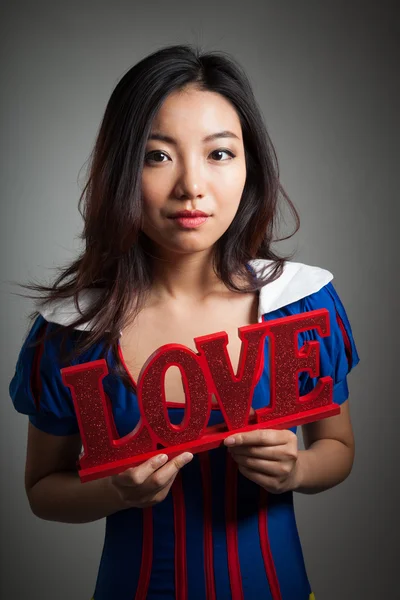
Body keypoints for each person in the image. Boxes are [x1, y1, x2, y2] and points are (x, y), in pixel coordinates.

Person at [9, 44, 360, 600]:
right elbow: (42, 490)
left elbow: (336, 448)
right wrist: (116, 492)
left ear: (251, 166)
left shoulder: (302, 305)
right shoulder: (71, 334)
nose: (191, 187)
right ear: (121, 168)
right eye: (157, 155)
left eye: (219, 154)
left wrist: (296, 470)